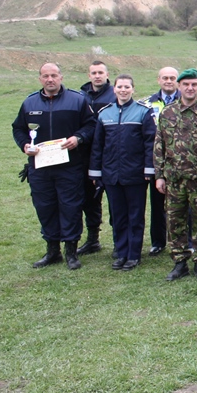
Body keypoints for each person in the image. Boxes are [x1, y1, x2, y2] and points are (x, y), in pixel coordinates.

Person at [13, 63, 96, 270]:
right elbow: (18, 128)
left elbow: (91, 124)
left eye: (53, 75)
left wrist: (78, 138)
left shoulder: (77, 100)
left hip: (69, 166)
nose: (50, 79)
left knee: (71, 207)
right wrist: (24, 145)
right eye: (45, 76)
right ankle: (52, 251)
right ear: (40, 78)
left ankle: (71, 251)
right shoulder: (29, 102)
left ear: (61, 77)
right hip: (40, 168)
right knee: (45, 207)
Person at [154, 68, 197, 282]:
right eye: (186, 84)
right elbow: (159, 145)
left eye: (194, 84)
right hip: (175, 179)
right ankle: (179, 262)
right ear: (179, 86)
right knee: (175, 222)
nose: (190, 88)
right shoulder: (167, 113)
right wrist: (159, 175)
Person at [88, 74, 156, 270]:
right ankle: (121, 252)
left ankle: (134, 255)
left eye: (127, 87)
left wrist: (149, 169)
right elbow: (98, 145)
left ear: (133, 89)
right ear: (114, 89)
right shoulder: (105, 113)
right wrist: (96, 172)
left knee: (135, 216)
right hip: (111, 175)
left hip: (135, 175)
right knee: (118, 216)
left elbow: (150, 143)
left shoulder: (143, 112)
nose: (123, 90)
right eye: (120, 87)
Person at [138, 66, 180, 256]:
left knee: (184, 205)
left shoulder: (186, 100)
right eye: (165, 78)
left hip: (182, 162)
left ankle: (185, 240)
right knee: (157, 204)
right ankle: (158, 241)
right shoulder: (147, 104)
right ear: (158, 80)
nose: (169, 81)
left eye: (172, 78)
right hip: (157, 161)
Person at [77, 60, 116, 255]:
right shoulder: (80, 97)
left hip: (111, 155)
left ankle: (119, 241)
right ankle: (93, 239)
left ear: (107, 74)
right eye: (94, 73)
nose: (97, 76)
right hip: (86, 156)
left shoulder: (115, 94)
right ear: (89, 75)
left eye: (101, 72)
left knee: (116, 201)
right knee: (90, 199)